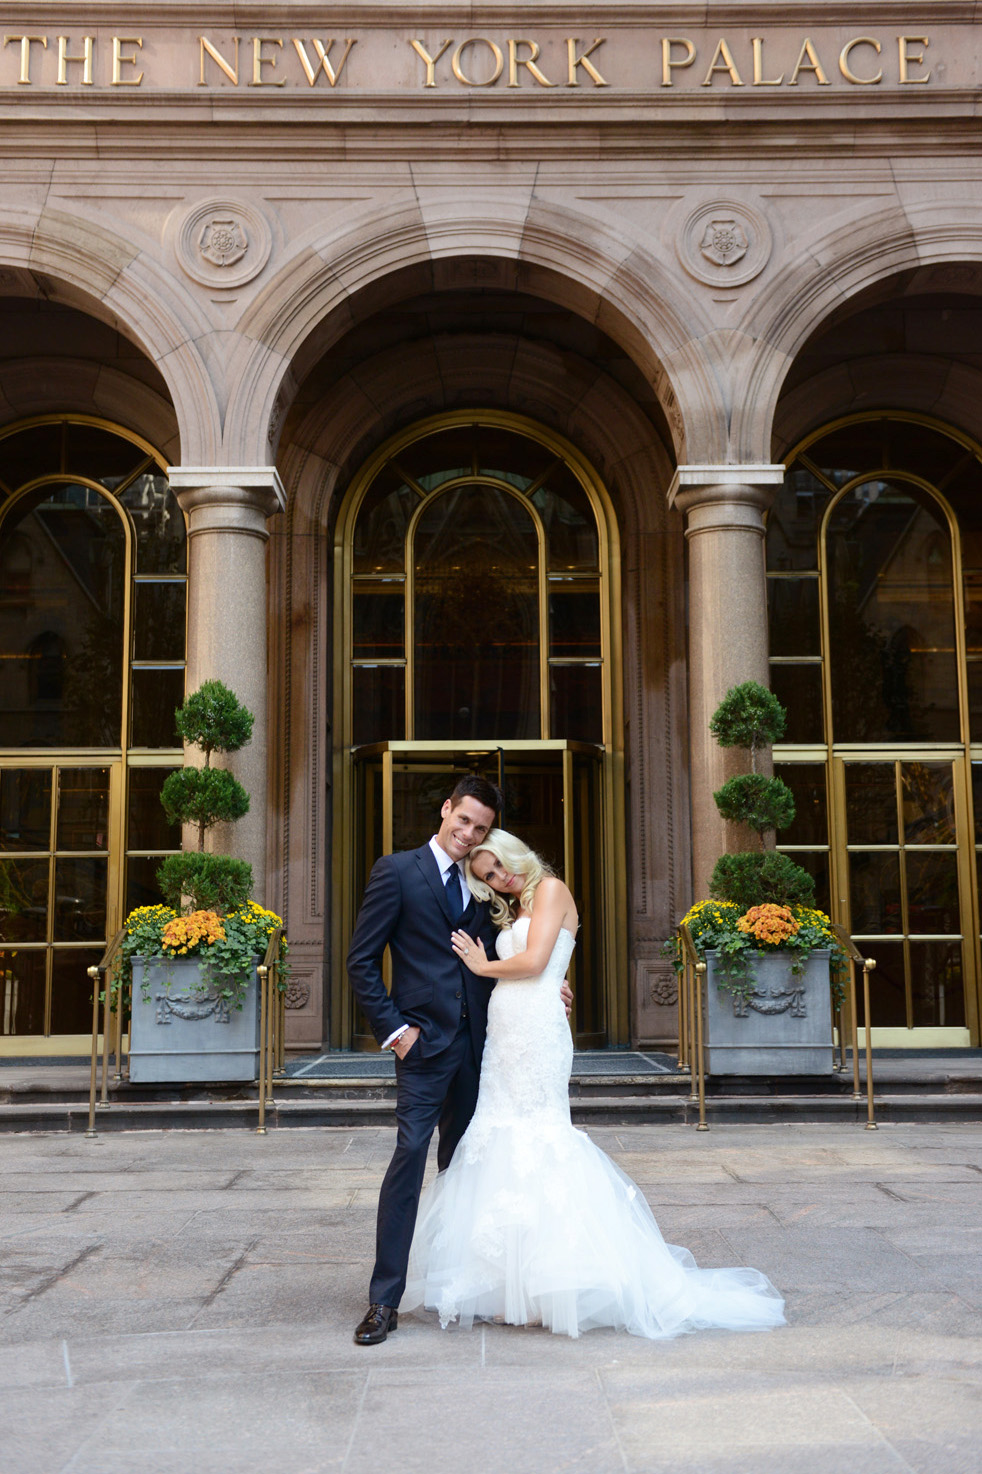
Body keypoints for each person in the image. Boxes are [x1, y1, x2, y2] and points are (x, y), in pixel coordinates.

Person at [401, 829, 786, 1340]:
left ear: (518, 852)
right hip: (506, 1028)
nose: (500, 879)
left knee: (540, 1136)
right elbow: (540, 966)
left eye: (499, 867)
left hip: (537, 1029)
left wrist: (482, 964)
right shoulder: (512, 908)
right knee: (501, 1134)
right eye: (488, 877)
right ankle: (513, 1286)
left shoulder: (553, 889)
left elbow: (537, 962)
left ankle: (550, 1286)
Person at [346, 777, 572, 1347]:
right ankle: (383, 1300)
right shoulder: (395, 871)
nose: (467, 833)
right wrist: (396, 1033)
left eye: (479, 827)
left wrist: (554, 978)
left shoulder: (481, 883)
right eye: (463, 820)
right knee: (408, 1158)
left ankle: (457, 1285)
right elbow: (361, 961)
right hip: (422, 1047)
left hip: (485, 1047)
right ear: (445, 809)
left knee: (469, 1166)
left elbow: (519, 944)